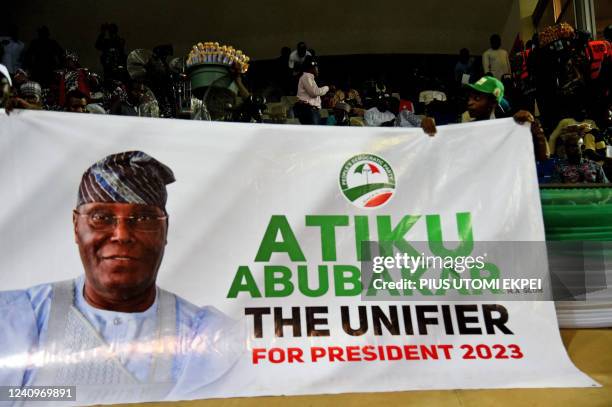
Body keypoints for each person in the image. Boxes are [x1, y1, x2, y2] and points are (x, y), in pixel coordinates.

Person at [0, 151, 243, 403]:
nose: (121, 234)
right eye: (101, 218)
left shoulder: (205, 335)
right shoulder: (15, 318)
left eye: (143, 218)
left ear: (165, 230)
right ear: (76, 226)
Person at [294, 58, 329, 125]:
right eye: (316, 67)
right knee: (313, 133)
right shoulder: (306, 76)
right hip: (308, 110)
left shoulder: (309, 78)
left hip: (312, 110)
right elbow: (314, 92)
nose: (317, 69)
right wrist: (327, 88)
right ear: (311, 68)